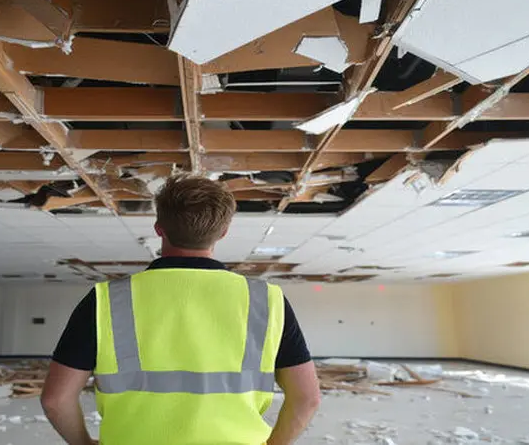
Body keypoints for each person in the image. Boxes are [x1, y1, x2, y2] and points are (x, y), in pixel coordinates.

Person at [41, 175, 321, 445]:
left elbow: (56, 400)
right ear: (223, 232)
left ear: (158, 228)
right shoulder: (267, 300)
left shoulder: (106, 300)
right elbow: (306, 397)